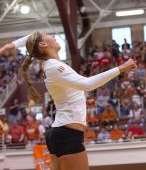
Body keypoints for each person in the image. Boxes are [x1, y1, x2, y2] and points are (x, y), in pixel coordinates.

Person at [0, 31, 137, 170]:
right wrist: (121, 68)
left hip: (62, 133)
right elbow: (87, 84)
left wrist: (11, 46)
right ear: (43, 44)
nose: (53, 36)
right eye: (48, 35)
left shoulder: (52, 65)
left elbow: (33, 39)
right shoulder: (53, 66)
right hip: (67, 134)